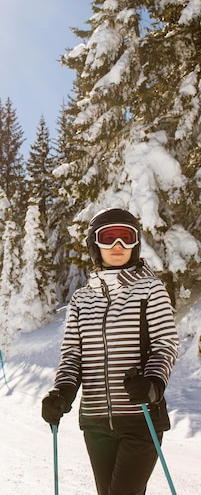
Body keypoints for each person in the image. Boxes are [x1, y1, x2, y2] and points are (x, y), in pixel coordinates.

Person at [42, 208, 179, 495]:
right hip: (95, 424)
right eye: (109, 238)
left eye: (126, 238)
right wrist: (62, 392)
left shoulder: (150, 290)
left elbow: (165, 346)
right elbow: (72, 356)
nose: (118, 246)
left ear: (136, 244)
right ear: (95, 244)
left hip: (142, 417)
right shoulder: (81, 300)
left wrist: (152, 384)